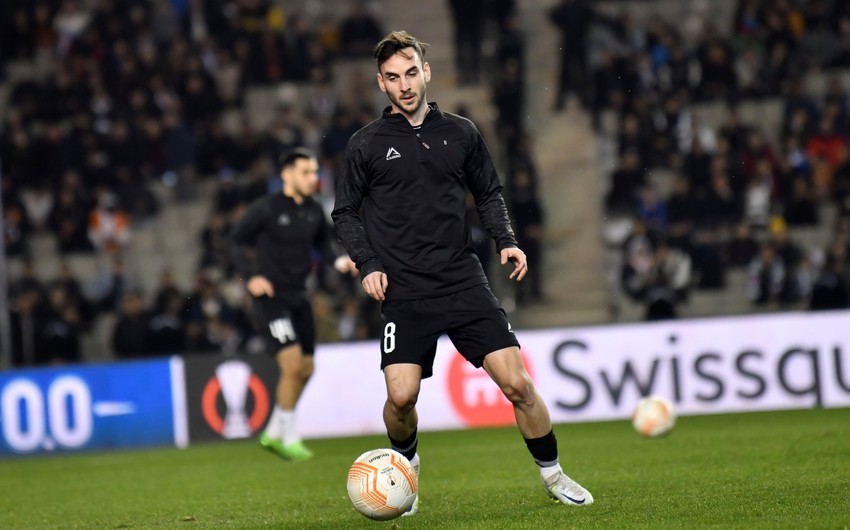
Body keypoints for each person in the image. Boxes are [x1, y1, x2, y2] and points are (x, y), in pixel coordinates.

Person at [331, 30, 593, 516]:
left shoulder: (462, 132)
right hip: (404, 288)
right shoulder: (365, 145)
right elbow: (345, 212)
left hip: (461, 279)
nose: (405, 84)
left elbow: (489, 192)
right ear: (381, 83)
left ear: (426, 72)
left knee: (518, 385)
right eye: (393, 77)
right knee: (401, 397)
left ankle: (554, 474)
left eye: (412, 73)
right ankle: (406, 471)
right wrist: (368, 264)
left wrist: (507, 240)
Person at [230, 147, 356, 461]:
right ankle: (289, 437)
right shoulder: (266, 208)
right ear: (287, 175)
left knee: (308, 368)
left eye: (315, 172)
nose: (314, 178)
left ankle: (273, 431)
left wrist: (339, 261)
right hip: (272, 299)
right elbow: (234, 240)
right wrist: (250, 277)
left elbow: (323, 244)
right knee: (292, 365)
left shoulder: (313, 210)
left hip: (300, 297)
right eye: (306, 172)